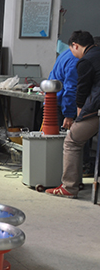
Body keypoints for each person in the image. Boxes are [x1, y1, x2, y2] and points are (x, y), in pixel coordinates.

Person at [46, 30, 99, 198]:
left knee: (72, 141)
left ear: (75, 45)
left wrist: (74, 115)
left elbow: (76, 90)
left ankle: (69, 187)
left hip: (93, 108)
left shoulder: (82, 61)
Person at [48, 37, 79, 130]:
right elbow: (71, 88)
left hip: (53, 101)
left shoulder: (66, 53)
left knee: (51, 134)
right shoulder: (75, 60)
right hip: (62, 105)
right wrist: (69, 114)